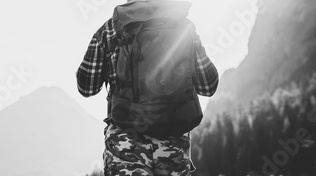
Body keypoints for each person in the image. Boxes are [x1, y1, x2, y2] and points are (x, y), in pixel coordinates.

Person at [76, 0, 219, 175]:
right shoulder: (182, 27)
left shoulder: (112, 28)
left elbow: (86, 87)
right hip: (173, 147)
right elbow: (208, 86)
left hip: (126, 145)